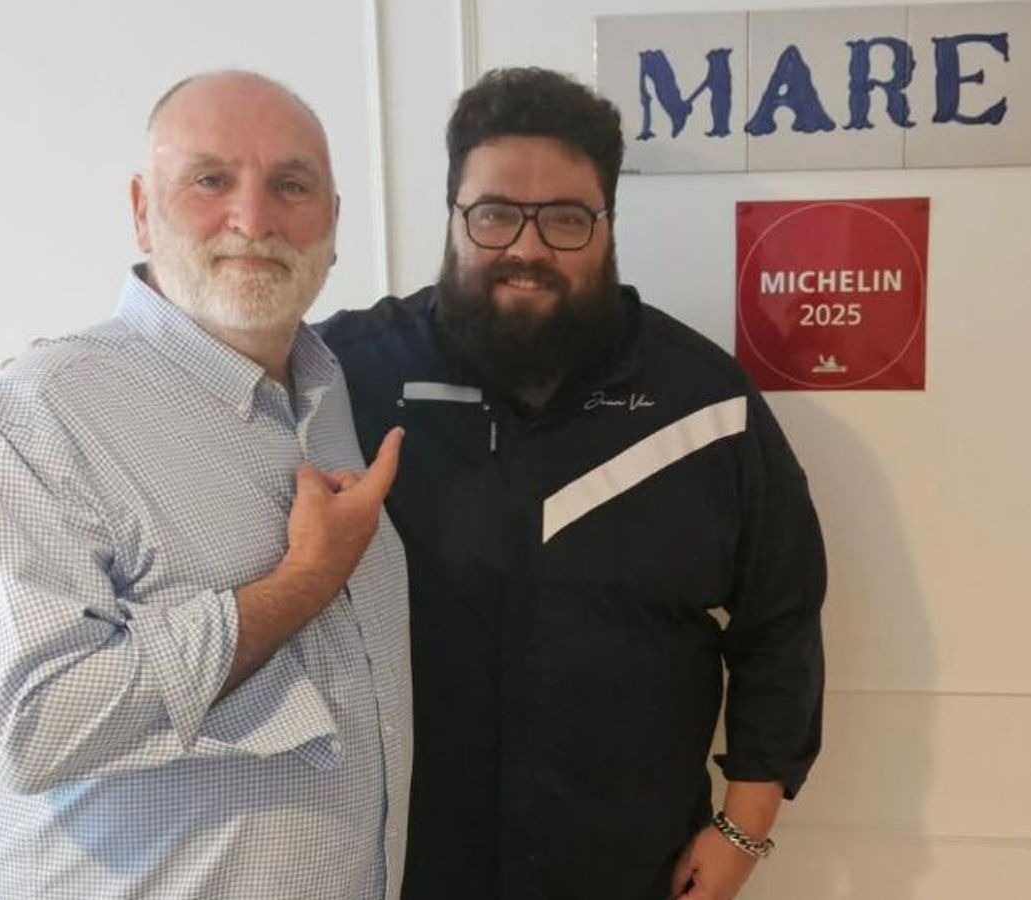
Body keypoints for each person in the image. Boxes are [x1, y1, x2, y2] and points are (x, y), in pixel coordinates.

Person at [320, 67, 826, 900]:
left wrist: (745, 826)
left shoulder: (706, 402)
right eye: (494, 216)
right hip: (395, 866)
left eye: (564, 219)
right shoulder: (346, 374)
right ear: (454, 217)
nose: (526, 249)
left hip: (629, 865)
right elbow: (204, 407)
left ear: (608, 224)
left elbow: (782, 617)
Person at [0, 71, 410, 900]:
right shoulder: (47, 410)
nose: (254, 219)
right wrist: (301, 583)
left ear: (332, 223)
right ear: (141, 209)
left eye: (291, 186)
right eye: (210, 180)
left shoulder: (329, 389)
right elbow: (34, 726)